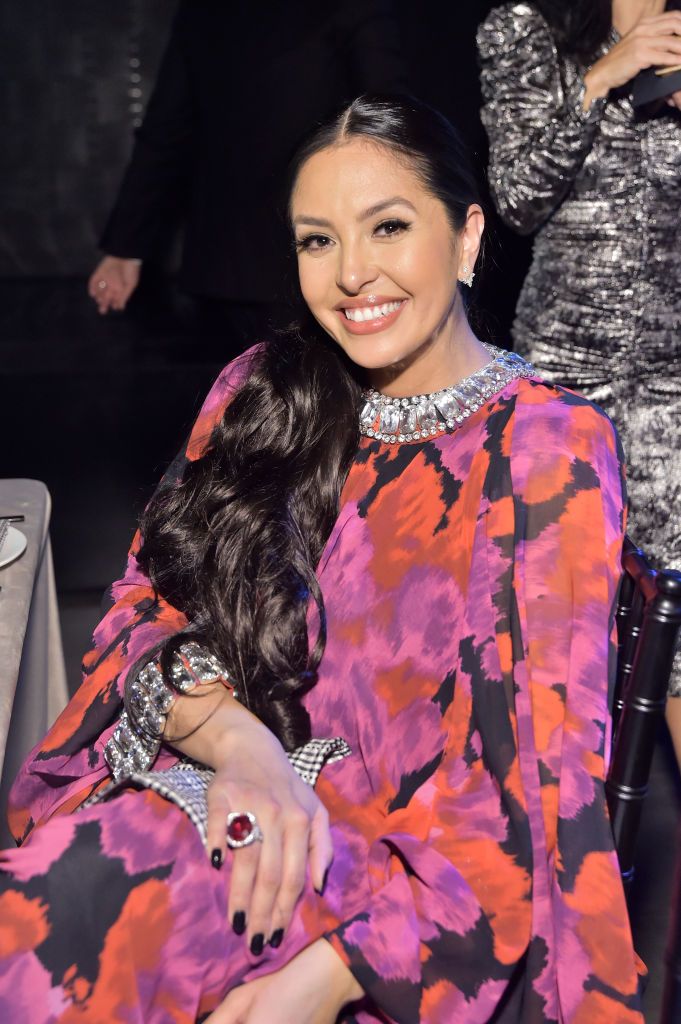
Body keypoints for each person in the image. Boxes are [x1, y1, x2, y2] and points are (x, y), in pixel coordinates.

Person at [1, 95, 643, 1023]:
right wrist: (242, 747)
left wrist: (335, 973)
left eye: (388, 226)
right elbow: (141, 612)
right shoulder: (266, 392)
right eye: (316, 241)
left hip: (399, 890)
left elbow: (533, 785)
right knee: (44, 917)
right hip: (213, 802)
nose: (351, 275)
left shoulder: (545, 447)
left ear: (466, 238)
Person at [87, 0, 405, 354]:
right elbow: (167, 128)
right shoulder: (206, 11)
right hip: (251, 271)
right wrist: (125, 249)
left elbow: (389, 127)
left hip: (309, 264)